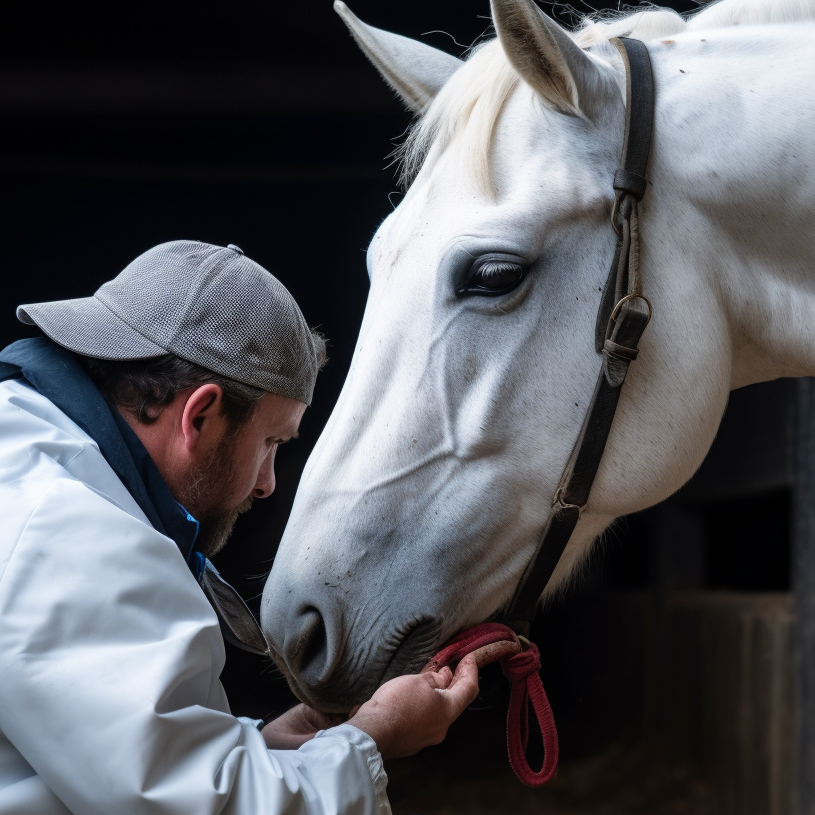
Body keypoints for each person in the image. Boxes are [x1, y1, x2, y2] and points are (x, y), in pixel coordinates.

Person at [0, 240, 478, 815]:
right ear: (199, 416)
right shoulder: (65, 531)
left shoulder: (30, 461)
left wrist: (266, 750)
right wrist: (372, 742)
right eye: (272, 442)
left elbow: (88, 766)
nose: (267, 484)